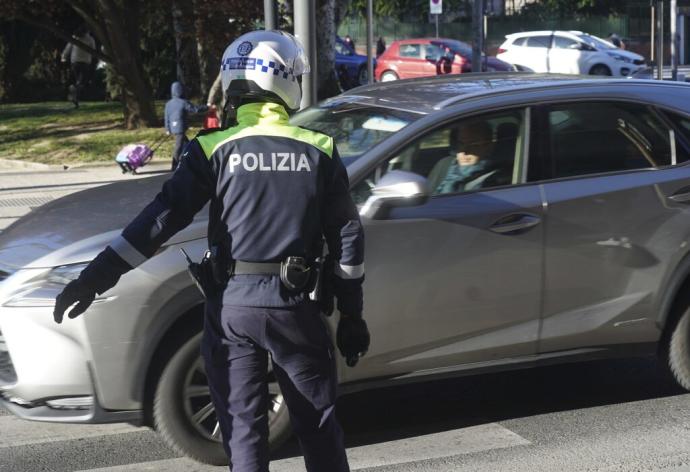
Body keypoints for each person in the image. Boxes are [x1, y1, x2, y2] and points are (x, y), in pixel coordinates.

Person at [52, 30, 369, 472]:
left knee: (243, 436)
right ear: (283, 80)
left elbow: (157, 224)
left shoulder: (210, 148)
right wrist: (352, 315)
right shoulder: (319, 149)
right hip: (295, 309)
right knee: (319, 431)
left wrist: (93, 278)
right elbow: (348, 241)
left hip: (231, 310)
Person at [428, 120, 499, 194]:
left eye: (474, 145)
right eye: (461, 143)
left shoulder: (494, 178)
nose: (464, 151)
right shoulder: (444, 165)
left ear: (488, 146)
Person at [164, 81, 207, 170]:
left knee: (187, 144)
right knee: (178, 146)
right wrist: (207, 107)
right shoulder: (183, 102)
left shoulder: (168, 104)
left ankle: (188, 161)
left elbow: (166, 117)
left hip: (172, 127)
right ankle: (174, 164)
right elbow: (195, 109)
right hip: (180, 127)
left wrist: (167, 129)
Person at [61, 26, 95, 108]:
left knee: (78, 80)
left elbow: (68, 48)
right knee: (81, 82)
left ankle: (74, 93)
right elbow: (93, 50)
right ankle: (75, 94)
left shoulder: (75, 37)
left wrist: (64, 57)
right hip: (85, 62)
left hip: (75, 61)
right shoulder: (90, 39)